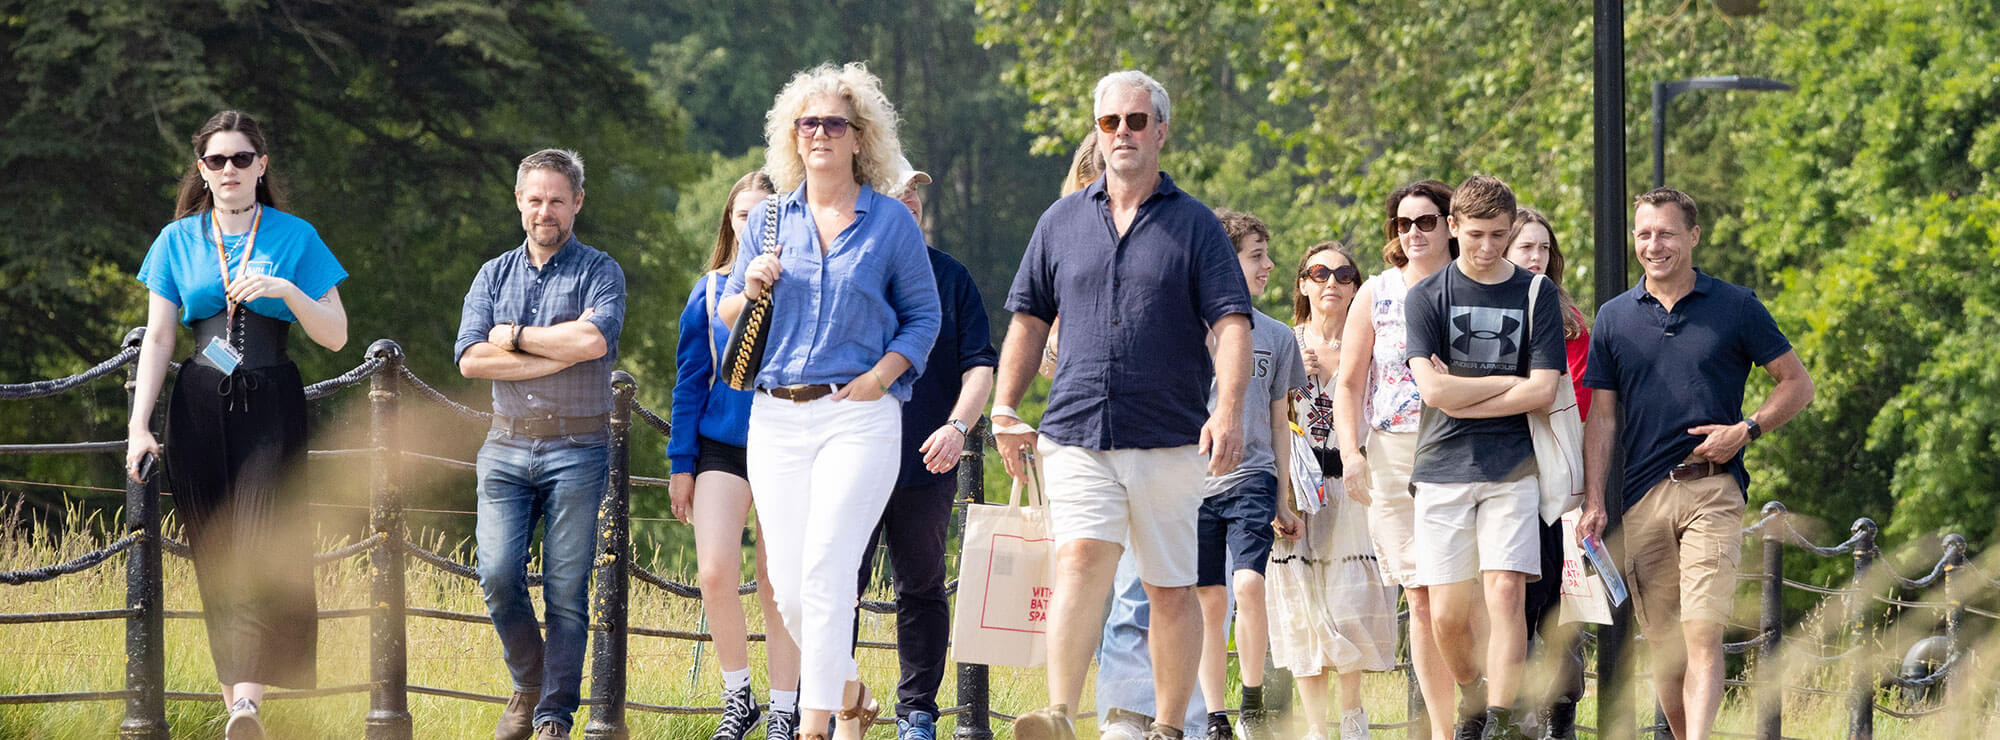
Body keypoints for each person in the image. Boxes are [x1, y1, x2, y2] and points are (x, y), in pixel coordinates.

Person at [993, 69, 1253, 740]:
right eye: (1111, 123)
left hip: (1168, 437)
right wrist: (1004, 407)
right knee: (1079, 558)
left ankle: (1168, 725)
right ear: (1098, 132)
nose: (1123, 134)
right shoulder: (1060, 222)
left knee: (1170, 588)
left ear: (1160, 130)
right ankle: (1058, 711)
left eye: (1137, 121)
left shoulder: (1195, 226)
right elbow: (1026, 319)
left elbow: (1231, 324)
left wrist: (1226, 410)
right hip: (1076, 428)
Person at [716, 62, 941, 740]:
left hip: (859, 416)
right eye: (807, 123)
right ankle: (850, 694)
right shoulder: (771, 220)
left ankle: (814, 728)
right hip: (775, 415)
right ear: (793, 135)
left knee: (825, 570)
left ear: (857, 136)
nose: (818, 133)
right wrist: (748, 286)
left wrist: (882, 376)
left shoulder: (889, 224)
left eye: (832, 123)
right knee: (785, 588)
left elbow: (923, 319)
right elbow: (726, 312)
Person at [127, 109, 350, 740]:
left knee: (258, 544)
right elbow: (160, 338)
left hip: (272, 401)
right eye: (217, 160)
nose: (230, 170)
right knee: (217, 554)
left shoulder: (296, 236)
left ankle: (248, 704)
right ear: (202, 170)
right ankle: (239, 714)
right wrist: (140, 426)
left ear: (262, 165)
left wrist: (286, 289)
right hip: (197, 403)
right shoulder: (175, 240)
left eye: (242, 159)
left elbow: (335, 337)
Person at [1576, 188, 1814, 740]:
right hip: (1640, 497)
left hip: (1712, 488)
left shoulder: (1735, 306)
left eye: (1665, 232)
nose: (1653, 244)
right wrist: (1593, 501)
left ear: (1693, 236)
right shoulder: (1613, 318)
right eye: (1643, 234)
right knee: (1666, 647)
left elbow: (1797, 384)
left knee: (1702, 629)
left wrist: (1747, 429)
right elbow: (1603, 420)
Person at [456, 148, 627, 740]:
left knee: (565, 589)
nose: (545, 210)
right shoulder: (492, 274)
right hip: (503, 447)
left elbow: (592, 342)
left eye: (557, 199)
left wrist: (518, 339)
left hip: (578, 449)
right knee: (497, 576)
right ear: (519, 202)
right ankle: (529, 682)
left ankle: (553, 713)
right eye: (535, 199)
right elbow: (472, 359)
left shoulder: (601, 272)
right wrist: (547, 355)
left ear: (577, 202)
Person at [1401, 175, 1563, 740]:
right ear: (1453, 228)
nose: (1488, 247)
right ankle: (1472, 690)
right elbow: (1432, 393)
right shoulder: (1426, 297)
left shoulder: (1536, 294)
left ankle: (1499, 718)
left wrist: (1465, 394)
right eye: (1476, 235)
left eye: (1499, 235)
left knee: (1504, 591)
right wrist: (1506, 385)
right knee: (1445, 613)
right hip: (1442, 466)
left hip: (1513, 465)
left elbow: (1543, 390)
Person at [850, 160, 997, 740]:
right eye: (894, 191)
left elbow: (980, 365)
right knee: (841, 586)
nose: (909, 199)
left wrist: (959, 428)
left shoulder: (952, 277)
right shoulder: (851, 273)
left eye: (914, 191)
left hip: (928, 461)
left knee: (922, 588)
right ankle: (838, 703)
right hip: (854, 458)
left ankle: (918, 714)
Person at [669, 169, 804, 740]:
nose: (751, 223)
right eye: (743, 214)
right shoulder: (709, 291)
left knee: (777, 582)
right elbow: (689, 380)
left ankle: (784, 707)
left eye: (763, 215)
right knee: (716, 571)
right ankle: (737, 696)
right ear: (731, 220)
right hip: (721, 445)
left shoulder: (801, 284)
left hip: (785, 443)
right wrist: (680, 463)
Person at [1331, 179, 1459, 740]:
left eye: (1425, 221)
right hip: (1392, 450)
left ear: (1450, 225)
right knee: (1423, 599)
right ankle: (1442, 728)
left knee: (1464, 596)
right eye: (1403, 224)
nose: (1413, 233)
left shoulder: (1474, 283)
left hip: (1464, 447)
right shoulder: (1377, 291)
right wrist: (1350, 452)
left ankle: (1485, 708)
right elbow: (1350, 382)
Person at [1192, 209, 1306, 740]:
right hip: (1192, 484)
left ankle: (1253, 703)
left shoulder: (1278, 336)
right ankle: (1215, 715)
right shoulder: (1187, 329)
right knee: (1209, 601)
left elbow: (1281, 422)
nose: (1269, 265)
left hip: (1254, 476)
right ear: (1226, 260)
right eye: (1256, 255)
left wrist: (1283, 497)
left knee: (1249, 585)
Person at [1280, 241, 1400, 740]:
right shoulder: (1284, 341)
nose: (1332, 282)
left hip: (1354, 485)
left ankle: (1352, 720)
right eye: (1319, 272)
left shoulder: (1369, 342)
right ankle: (1313, 728)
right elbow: (1265, 418)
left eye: (1344, 274)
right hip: (1299, 489)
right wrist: (1293, 379)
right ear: (1304, 283)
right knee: (1302, 606)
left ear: (1356, 286)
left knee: (1350, 603)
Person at [1503, 206, 1588, 739]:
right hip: (1502, 475)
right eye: (1524, 248)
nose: (1535, 258)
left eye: (1542, 248)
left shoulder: (1570, 320)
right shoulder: (1484, 311)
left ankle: (1561, 713)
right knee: (1512, 602)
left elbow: (1565, 395)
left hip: (1557, 481)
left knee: (1559, 605)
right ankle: (1513, 714)